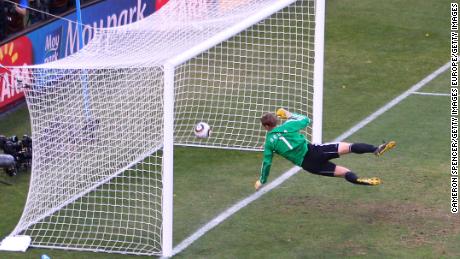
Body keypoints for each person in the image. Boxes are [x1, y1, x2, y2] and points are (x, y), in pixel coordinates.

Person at [254, 108, 396, 190]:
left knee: (344, 172)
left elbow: (267, 163)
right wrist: (288, 114)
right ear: (276, 121)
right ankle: (375, 149)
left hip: (308, 165)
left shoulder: (269, 143)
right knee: (350, 147)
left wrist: (262, 180)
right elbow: (306, 119)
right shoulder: (288, 125)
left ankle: (359, 180)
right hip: (314, 151)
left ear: (266, 127)